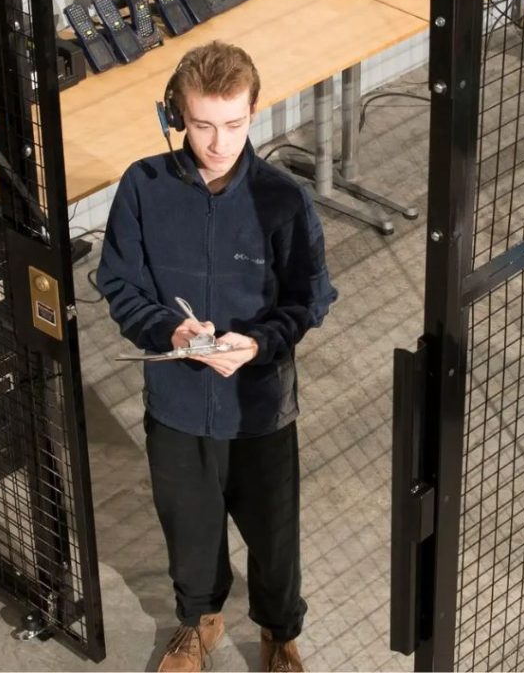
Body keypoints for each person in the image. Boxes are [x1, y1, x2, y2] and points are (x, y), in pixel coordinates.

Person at [97, 40, 338, 673]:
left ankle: (279, 634)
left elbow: (311, 297)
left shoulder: (282, 199)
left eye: (233, 124)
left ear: (254, 111)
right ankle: (198, 621)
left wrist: (258, 343)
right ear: (176, 114)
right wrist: (169, 333)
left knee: (274, 535)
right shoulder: (143, 188)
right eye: (202, 125)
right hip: (176, 405)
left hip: (259, 406)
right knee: (188, 525)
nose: (218, 142)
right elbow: (119, 284)